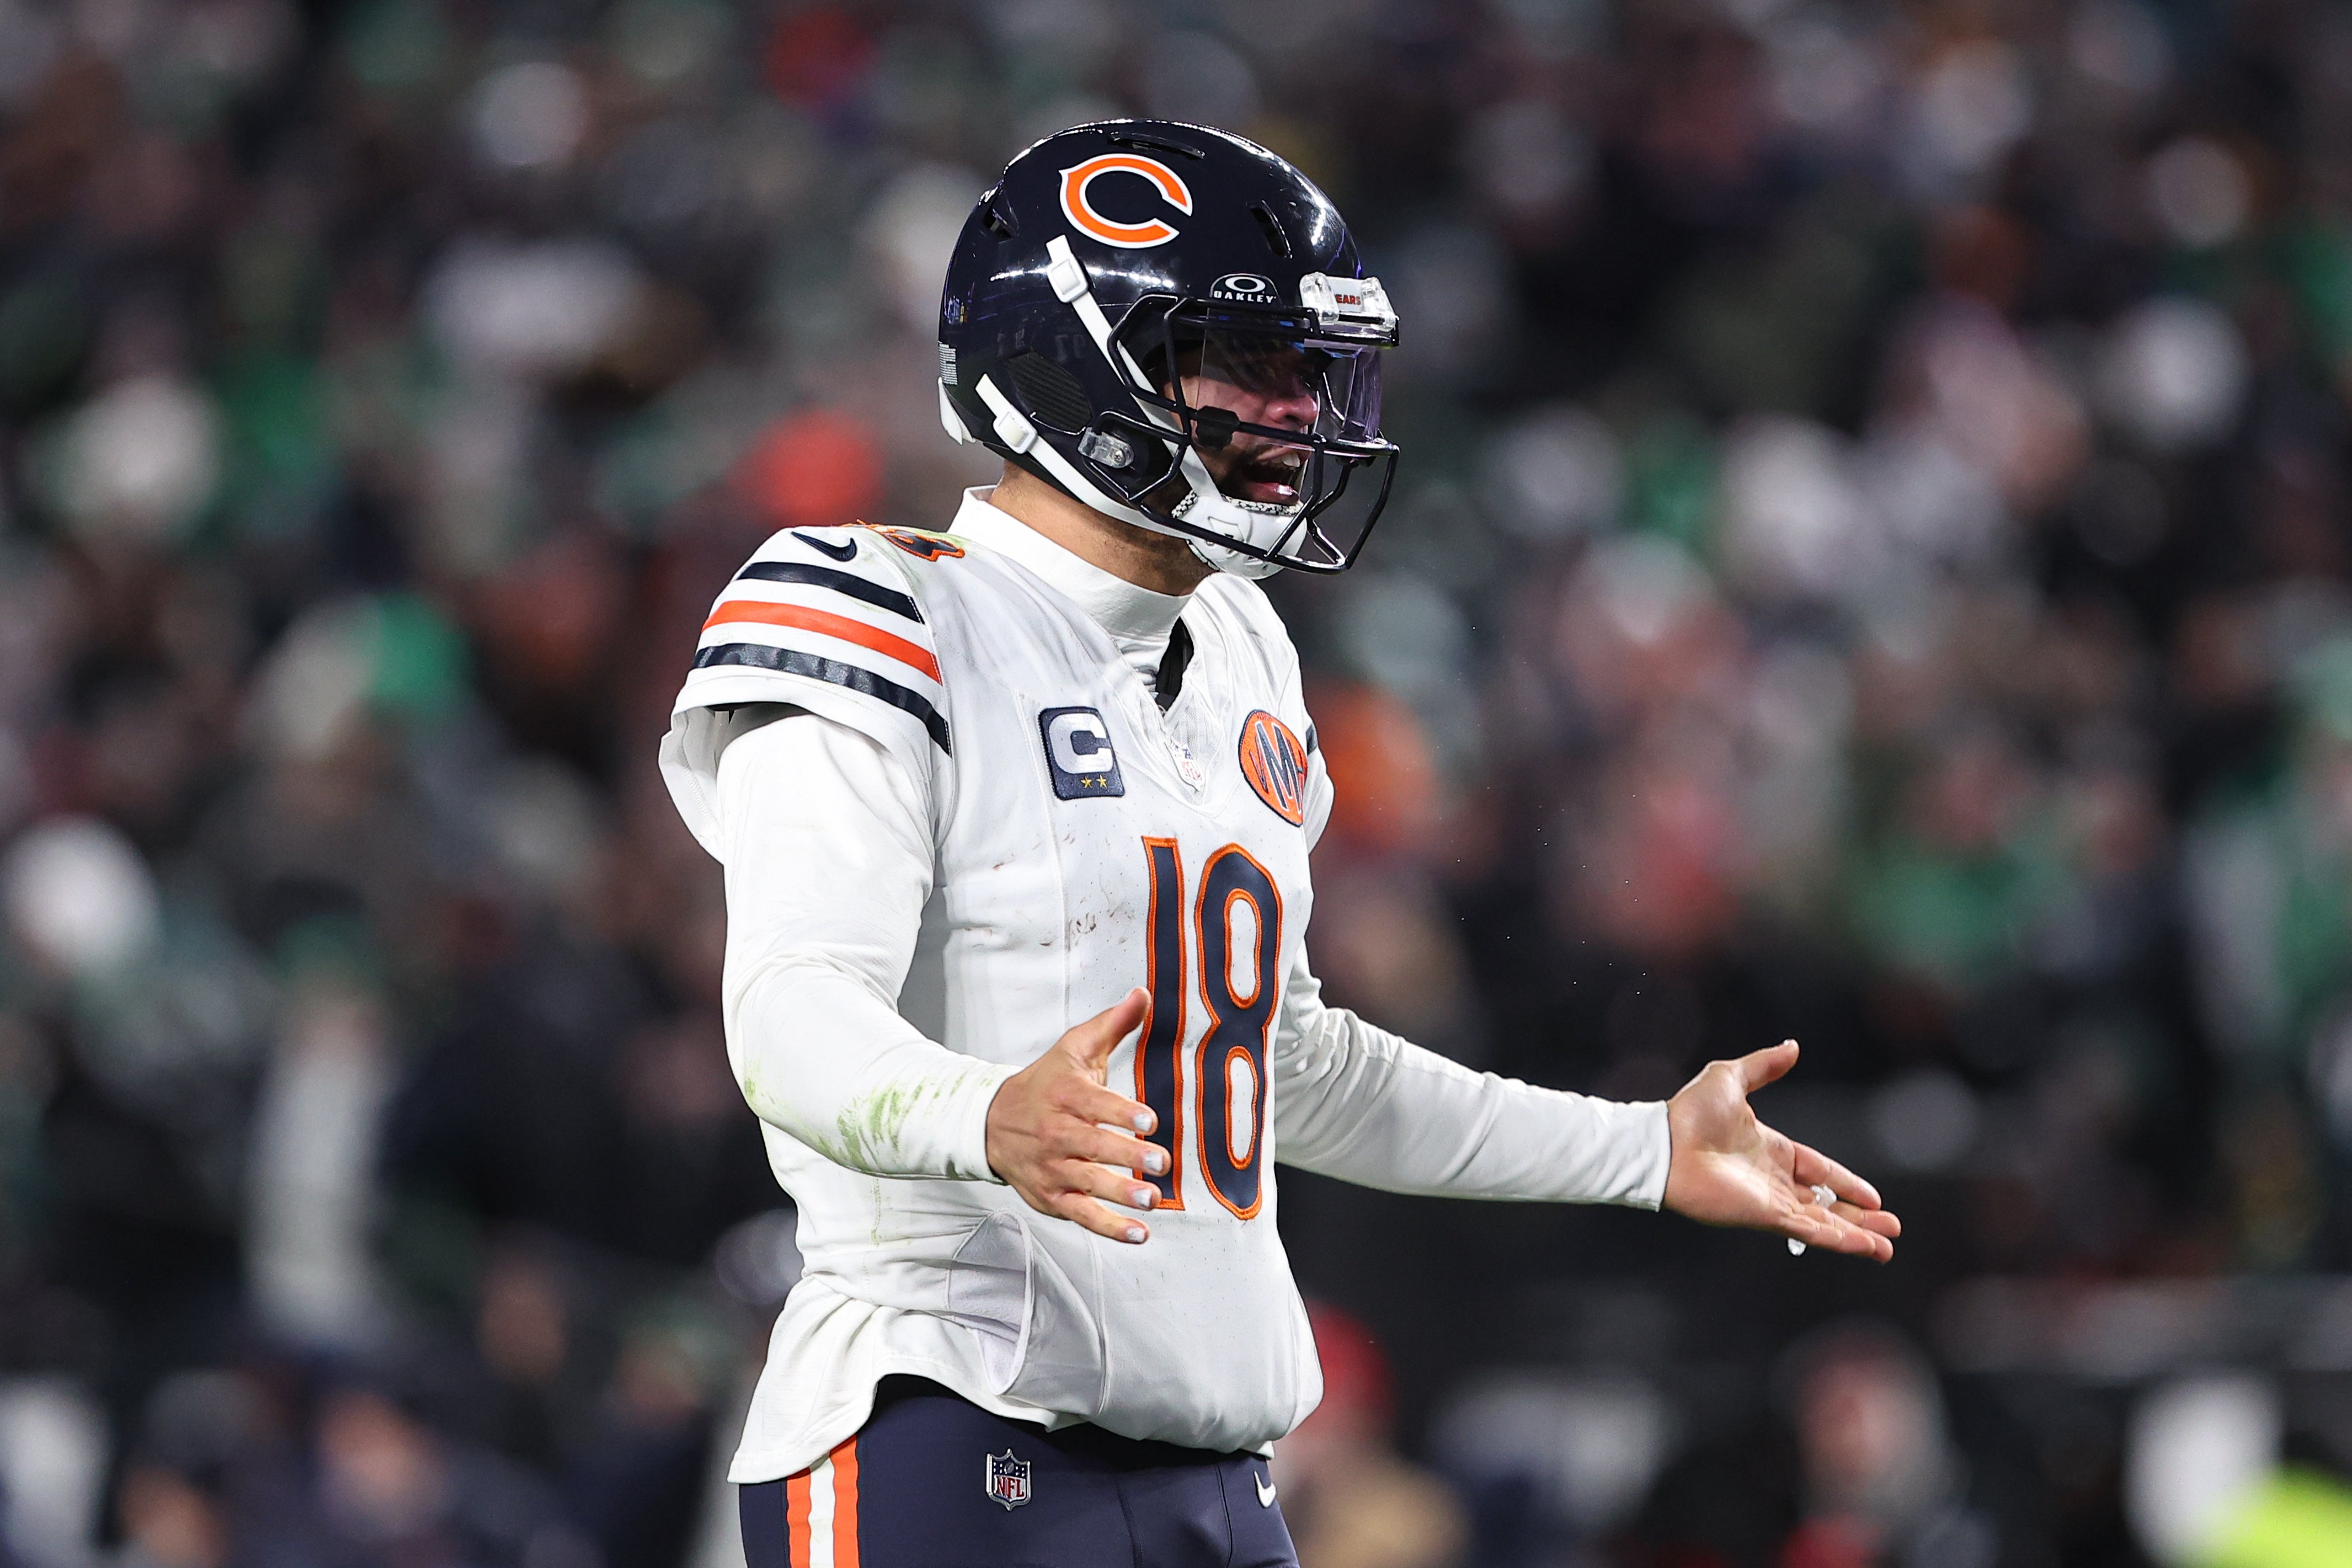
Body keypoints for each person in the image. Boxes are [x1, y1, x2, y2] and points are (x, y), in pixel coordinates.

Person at [656, 119, 1900, 1568]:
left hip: (1218, 1475)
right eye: (1249, 363)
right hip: (943, 1430)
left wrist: (1638, 1150)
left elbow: (1286, 1066)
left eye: (1313, 372)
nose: (1301, 413)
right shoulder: (875, 605)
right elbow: (790, 1014)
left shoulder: (1239, 646)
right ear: (1073, 357)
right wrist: (983, 1115)